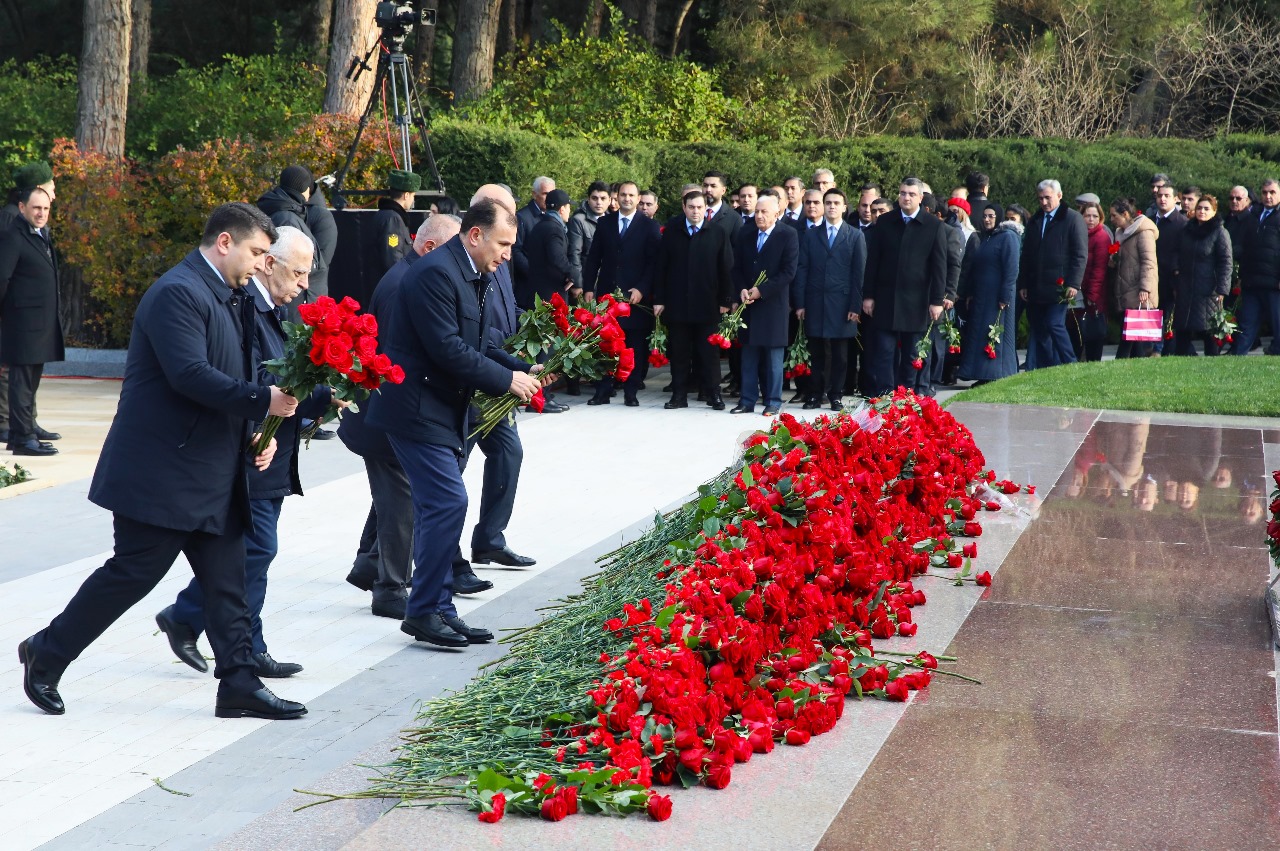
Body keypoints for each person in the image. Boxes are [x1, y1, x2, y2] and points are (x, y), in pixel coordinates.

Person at [18, 203, 306, 719]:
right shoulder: (178, 293)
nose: (262, 263)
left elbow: (240, 373)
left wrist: (258, 434)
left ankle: (238, 683)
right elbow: (190, 376)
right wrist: (263, 404)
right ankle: (48, 651)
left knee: (228, 580)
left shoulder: (231, 295)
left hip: (213, 469)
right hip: (160, 472)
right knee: (132, 574)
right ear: (224, 242)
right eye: (257, 252)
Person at [367, 198, 543, 648]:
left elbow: (479, 341)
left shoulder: (471, 272)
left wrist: (521, 366)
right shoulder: (436, 273)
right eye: (503, 244)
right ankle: (424, 610)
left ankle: (440, 608)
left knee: (438, 507)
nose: (507, 255)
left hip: (443, 409)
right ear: (475, 234)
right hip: (416, 409)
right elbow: (447, 348)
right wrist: (507, 380)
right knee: (447, 502)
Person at [158, 226, 327, 678]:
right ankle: (231, 640)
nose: (304, 284)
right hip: (252, 449)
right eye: (298, 273)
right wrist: (258, 428)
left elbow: (284, 379)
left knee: (251, 552)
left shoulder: (276, 307)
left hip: (268, 448)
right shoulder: (247, 304)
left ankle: (202, 624)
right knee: (256, 549)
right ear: (268, 263)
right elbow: (245, 378)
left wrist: (327, 394)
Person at [343, 215, 488, 619]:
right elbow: (398, 358)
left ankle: (369, 565)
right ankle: (390, 588)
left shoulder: (414, 276)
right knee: (402, 502)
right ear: (428, 248)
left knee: (393, 498)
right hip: (390, 414)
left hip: (390, 414)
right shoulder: (409, 283)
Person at [861, 178, 948, 396]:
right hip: (885, 299)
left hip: (916, 302)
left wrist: (937, 301)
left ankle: (906, 397)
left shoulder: (933, 225)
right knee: (884, 352)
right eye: (902, 193)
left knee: (912, 354)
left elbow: (939, 267)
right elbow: (873, 261)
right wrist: (868, 295)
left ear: (920, 197)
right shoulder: (885, 222)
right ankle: (885, 396)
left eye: (910, 194)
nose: (906, 198)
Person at [583, 181, 663, 407]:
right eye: (623, 195)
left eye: (632, 195)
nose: (627, 199)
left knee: (634, 346)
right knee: (606, 343)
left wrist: (642, 288)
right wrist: (589, 287)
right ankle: (603, 390)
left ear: (638, 199)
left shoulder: (650, 226)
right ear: (616, 197)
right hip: (607, 295)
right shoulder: (605, 223)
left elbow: (653, 264)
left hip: (635, 297)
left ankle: (631, 390)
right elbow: (593, 258)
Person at [654, 190, 734, 410]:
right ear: (684, 207)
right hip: (677, 304)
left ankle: (713, 395)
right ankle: (678, 395)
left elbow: (726, 268)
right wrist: (659, 299)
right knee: (679, 353)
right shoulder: (672, 232)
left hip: (708, 304)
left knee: (709, 354)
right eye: (691, 207)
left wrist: (726, 299)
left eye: (699, 207)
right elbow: (661, 268)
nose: (695, 211)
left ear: (705, 209)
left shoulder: (717, 232)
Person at [0, 185, 63, 456]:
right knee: (22, 383)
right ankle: (24, 437)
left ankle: (19, 434)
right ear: (23, 207)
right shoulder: (14, 236)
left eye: (46, 208)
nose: (42, 213)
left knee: (30, 382)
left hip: (37, 324)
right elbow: (2, 278)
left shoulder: (38, 234)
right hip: (22, 322)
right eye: (36, 208)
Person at [794, 187, 865, 411]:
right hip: (815, 302)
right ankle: (815, 394)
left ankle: (836, 395)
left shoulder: (855, 235)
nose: (832, 206)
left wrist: (855, 305)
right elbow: (802, 269)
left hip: (843, 304)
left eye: (836, 203)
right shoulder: (811, 235)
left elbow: (858, 273)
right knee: (817, 353)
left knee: (840, 355)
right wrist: (800, 303)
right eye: (828, 203)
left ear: (844, 207)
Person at [730, 191, 797, 416]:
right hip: (748, 303)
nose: (758, 215)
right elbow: (737, 266)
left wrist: (762, 290)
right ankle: (747, 400)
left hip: (773, 305)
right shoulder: (745, 233)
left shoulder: (788, 234)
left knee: (773, 358)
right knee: (748, 355)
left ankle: (773, 401)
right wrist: (741, 288)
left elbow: (788, 272)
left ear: (776, 213)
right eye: (757, 211)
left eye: (764, 211)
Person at [1019, 179, 1087, 369]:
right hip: (1037, 285)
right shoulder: (1035, 220)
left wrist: (1074, 283)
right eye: (1040, 198)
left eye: (1047, 198)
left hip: (1059, 285)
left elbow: (1080, 254)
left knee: (1054, 324)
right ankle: (1048, 365)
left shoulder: (1072, 219)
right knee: (1040, 327)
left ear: (1059, 195)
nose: (1043, 202)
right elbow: (1027, 254)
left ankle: (1070, 362)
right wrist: (1024, 283)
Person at [957, 215, 1021, 384]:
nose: (986, 219)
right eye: (984, 216)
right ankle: (982, 373)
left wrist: (1005, 295)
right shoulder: (988, 238)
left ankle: (995, 373)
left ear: (998, 218)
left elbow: (1011, 269)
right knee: (981, 334)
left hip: (998, 297)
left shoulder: (1008, 237)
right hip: (983, 296)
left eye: (991, 216)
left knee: (995, 334)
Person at [1172, 194, 1233, 357]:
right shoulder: (1187, 230)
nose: (1202, 212)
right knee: (1183, 326)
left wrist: (1222, 289)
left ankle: (1212, 360)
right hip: (1186, 285)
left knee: (1209, 328)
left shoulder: (1220, 232)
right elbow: (1177, 251)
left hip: (1209, 288)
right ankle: (1180, 360)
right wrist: (1176, 269)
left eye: (1207, 209)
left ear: (1214, 211)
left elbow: (1226, 262)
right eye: (1199, 208)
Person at [1232, 179, 1280, 356]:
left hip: (1274, 282)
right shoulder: (1253, 215)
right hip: (1252, 280)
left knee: (1277, 323)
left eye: (1272, 192)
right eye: (1265, 192)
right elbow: (1245, 246)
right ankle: (1237, 357)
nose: (1268, 196)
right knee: (1247, 323)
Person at [1108, 198, 1159, 359]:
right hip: (1125, 287)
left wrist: (1145, 288)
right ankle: (1138, 362)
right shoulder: (1120, 234)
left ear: (1125, 214)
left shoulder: (1144, 233)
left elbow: (1149, 262)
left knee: (1130, 333)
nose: (1111, 219)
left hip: (1138, 289)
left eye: (1114, 215)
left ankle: (1121, 360)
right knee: (1133, 333)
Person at [1151, 182, 1187, 354]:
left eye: (1167, 196)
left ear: (1175, 199)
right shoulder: (1150, 220)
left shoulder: (1183, 223)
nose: (1162, 199)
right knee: (1154, 317)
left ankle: (1165, 351)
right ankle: (1153, 350)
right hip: (1152, 279)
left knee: (1169, 318)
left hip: (1171, 280)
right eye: (1159, 195)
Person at [365, 169, 418, 283]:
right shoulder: (393, 219)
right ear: (406, 195)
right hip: (393, 285)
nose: (413, 200)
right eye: (413, 195)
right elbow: (393, 257)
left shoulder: (387, 215)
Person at [1075, 199, 1112, 361]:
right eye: (1087, 216)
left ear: (1100, 218)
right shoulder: (1078, 234)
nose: (1091, 219)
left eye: (1094, 216)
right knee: (1076, 332)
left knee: (1093, 334)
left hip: (1093, 296)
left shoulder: (1102, 236)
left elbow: (1099, 270)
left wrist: (1092, 296)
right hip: (1077, 293)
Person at [512, 176, 555, 286]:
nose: (549, 198)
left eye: (552, 194)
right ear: (534, 194)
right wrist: (535, 273)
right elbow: (515, 250)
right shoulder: (522, 217)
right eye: (545, 194)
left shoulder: (556, 218)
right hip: (528, 286)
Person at [569, 181, 609, 294]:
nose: (599, 202)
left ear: (609, 200)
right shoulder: (579, 220)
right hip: (585, 281)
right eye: (595, 198)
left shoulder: (612, 221)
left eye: (603, 198)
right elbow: (574, 254)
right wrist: (577, 283)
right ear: (588, 199)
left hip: (606, 282)